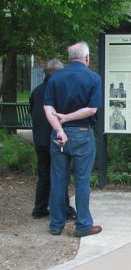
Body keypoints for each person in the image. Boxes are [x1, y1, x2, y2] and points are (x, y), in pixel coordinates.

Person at [44, 42, 102, 237]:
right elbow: (92, 109)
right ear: (86, 58)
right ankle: (84, 225)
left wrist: (60, 129)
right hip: (82, 133)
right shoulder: (93, 78)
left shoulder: (55, 77)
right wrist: (68, 118)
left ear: (69, 58)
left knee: (58, 180)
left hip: (59, 135)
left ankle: (56, 224)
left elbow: (47, 108)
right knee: (82, 180)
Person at [29, 59, 76, 220]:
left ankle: (39, 208)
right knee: (60, 174)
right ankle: (64, 210)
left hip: (39, 139)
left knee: (43, 175)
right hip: (55, 138)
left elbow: (32, 112)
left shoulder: (36, 91)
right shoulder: (60, 91)